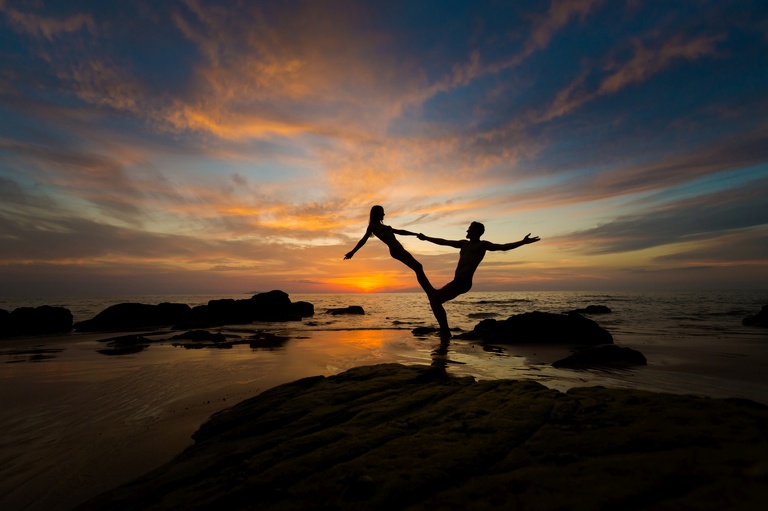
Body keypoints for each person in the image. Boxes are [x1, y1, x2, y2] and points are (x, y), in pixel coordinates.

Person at [418, 221, 540, 336]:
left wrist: (522, 242)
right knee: (435, 300)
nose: (467, 230)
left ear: (476, 232)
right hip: (457, 281)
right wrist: (426, 238)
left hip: (463, 282)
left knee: (435, 301)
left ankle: (445, 331)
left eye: (470, 229)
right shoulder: (463, 244)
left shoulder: (483, 245)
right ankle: (445, 330)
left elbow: (502, 247)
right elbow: (444, 241)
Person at [344, 205, 434, 294]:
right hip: (396, 250)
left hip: (399, 249)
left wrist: (415, 234)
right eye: (381, 212)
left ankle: (430, 291)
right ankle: (430, 291)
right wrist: (353, 252)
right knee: (418, 266)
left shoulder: (386, 227)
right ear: (376, 213)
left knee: (417, 267)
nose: (384, 214)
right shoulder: (372, 226)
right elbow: (363, 240)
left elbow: (400, 232)